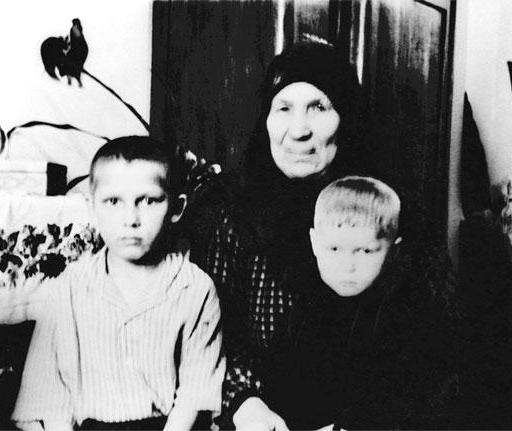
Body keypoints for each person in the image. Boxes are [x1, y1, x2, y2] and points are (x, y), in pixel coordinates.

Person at [189, 42, 461, 430]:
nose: (299, 130)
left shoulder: (398, 213)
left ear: (346, 117)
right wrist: (244, 401)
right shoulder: (225, 209)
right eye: (284, 108)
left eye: (318, 107)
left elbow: (437, 355)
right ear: (265, 118)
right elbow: (206, 332)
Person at [11, 136, 225, 431]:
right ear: (92, 207)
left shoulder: (195, 289)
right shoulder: (69, 287)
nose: (130, 219)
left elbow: (195, 394)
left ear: (176, 208)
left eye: (148, 201)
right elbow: (47, 395)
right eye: (113, 201)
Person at [262, 176, 460, 429]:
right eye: (334, 249)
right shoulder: (303, 309)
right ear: (314, 243)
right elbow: (279, 382)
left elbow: (419, 400)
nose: (347, 266)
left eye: (365, 251)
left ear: (394, 250)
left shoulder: (406, 316)